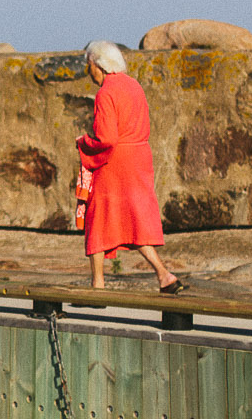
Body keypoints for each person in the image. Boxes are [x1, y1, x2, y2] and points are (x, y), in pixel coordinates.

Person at [76, 40, 185, 294]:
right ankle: (164, 275)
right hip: (139, 158)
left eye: (88, 65)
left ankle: (98, 285)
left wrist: (83, 143)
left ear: (97, 65)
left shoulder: (106, 92)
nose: (88, 70)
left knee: (98, 216)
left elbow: (107, 138)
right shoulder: (134, 86)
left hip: (115, 162)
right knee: (134, 220)